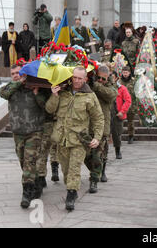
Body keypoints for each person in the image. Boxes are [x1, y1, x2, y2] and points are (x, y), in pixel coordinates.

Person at [45, 67, 104, 211]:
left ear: (85, 79)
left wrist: (97, 137)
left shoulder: (90, 96)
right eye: (75, 77)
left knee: (74, 168)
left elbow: (98, 117)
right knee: (65, 169)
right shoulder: (63, 92)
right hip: (62, 138)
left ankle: (72, 194)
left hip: (79, 139)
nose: (77, 81)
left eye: (80, 78)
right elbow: (49, 109)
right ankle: (70, 186)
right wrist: (54, 95)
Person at [0, 64, 46, 208]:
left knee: (29, 161)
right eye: (13, 73)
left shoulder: (34, 87)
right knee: (22, 161)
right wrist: (17, 83)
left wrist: (36, 93)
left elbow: (46, 105)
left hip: (34, 131)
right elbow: (3, 93)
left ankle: (27, 193)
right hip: (18, 132)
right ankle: (36, 181)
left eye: (18, 73)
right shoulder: (10, 89)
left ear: (24, 73)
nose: (15, 75)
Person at [87, 65, 117, 191]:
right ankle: (96, 171)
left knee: (99, 154)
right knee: (87, 155)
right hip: (88, 124)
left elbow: (110, 95)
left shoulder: (109, 87)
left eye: (103, 79)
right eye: (98, 78)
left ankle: (95, 178)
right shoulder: (89, 85)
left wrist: (95, 85)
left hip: (103, 125)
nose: (100, 80)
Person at [110, 70, 132, 159]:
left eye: (112, 77)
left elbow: (128, 100)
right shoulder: (104, 87)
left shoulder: (122, 88)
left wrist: (122, 111)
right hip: (107, 113)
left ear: (116, 78)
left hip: (117, 114)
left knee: (117, 134)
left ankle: (117, 151)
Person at [119, 66, 137, 145]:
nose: (125, 74)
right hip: (121, 105)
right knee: (119, 121)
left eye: (126, 73)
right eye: (124, 72)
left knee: (130, 121)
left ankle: (131, 135)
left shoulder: (133, 81)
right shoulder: (119, 81)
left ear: (129, 73)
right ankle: (118, 136)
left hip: (131, 104)